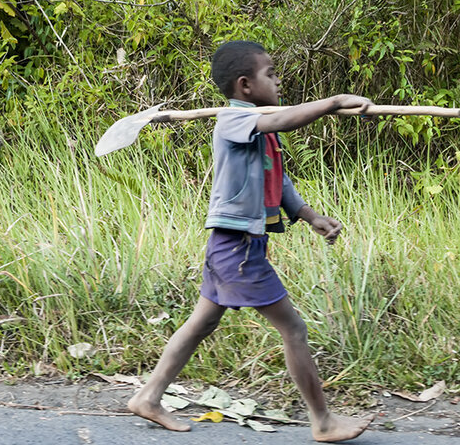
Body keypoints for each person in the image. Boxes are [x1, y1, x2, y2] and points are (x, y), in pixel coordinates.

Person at [128, 40, 373, 443]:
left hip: (235, 246)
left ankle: (148, 397)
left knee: (201, 323)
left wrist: (310, 216)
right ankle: (323, 421)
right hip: (237, 249)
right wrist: (333, 102)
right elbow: (286, 121)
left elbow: (278, 179)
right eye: (271, 74)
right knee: (293, 329)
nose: (278, 82)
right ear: (244, 85)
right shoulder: (234, 120)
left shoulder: (259, 123)